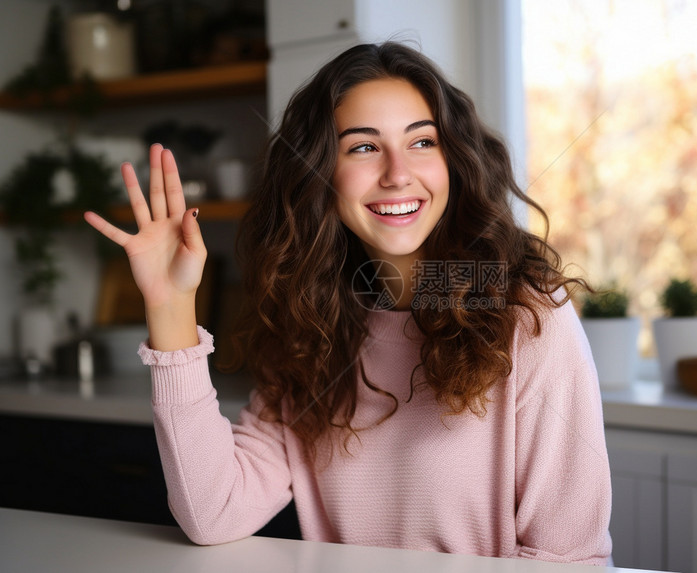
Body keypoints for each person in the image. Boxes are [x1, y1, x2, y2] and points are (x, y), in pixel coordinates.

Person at [84, 41, 613, 565]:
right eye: (363, 147)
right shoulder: (313, 326)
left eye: (422, 142)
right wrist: (172, 307)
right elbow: (215, 512)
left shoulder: (527, 316)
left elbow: (565, 559)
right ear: (320, 175)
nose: (398, 173)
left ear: (455, 160)